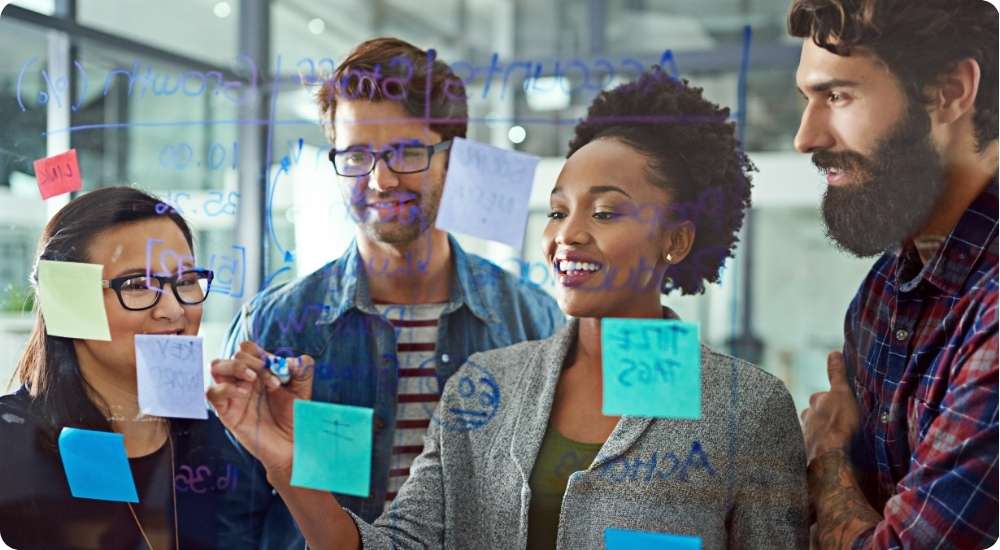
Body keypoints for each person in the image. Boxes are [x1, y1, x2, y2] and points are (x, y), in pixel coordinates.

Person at [208, 68, 810, 549]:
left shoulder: (743, 407)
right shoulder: (489, 381)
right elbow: (395, 541)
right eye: (556, 210)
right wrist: (294, 473)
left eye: (604, 211)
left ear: (675, 239)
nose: (567, 234)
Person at [215, 37, 563, 547]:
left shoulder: (530, 322)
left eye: (405, 152)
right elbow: (232, 515)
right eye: (356, 155)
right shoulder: (274, 326)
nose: (380, 179)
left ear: (453, 159)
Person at [790, 0, 999, 547]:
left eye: (836, 96)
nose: (806, 137)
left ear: (951, 91)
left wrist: (827, 452)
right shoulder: (883, 291)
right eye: (806, 99)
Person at [0, 187, 248, 549]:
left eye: (186, 281)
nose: (174, 310)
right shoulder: (12, 441)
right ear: (66, 301)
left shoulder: (223, 443)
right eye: (136, 285)